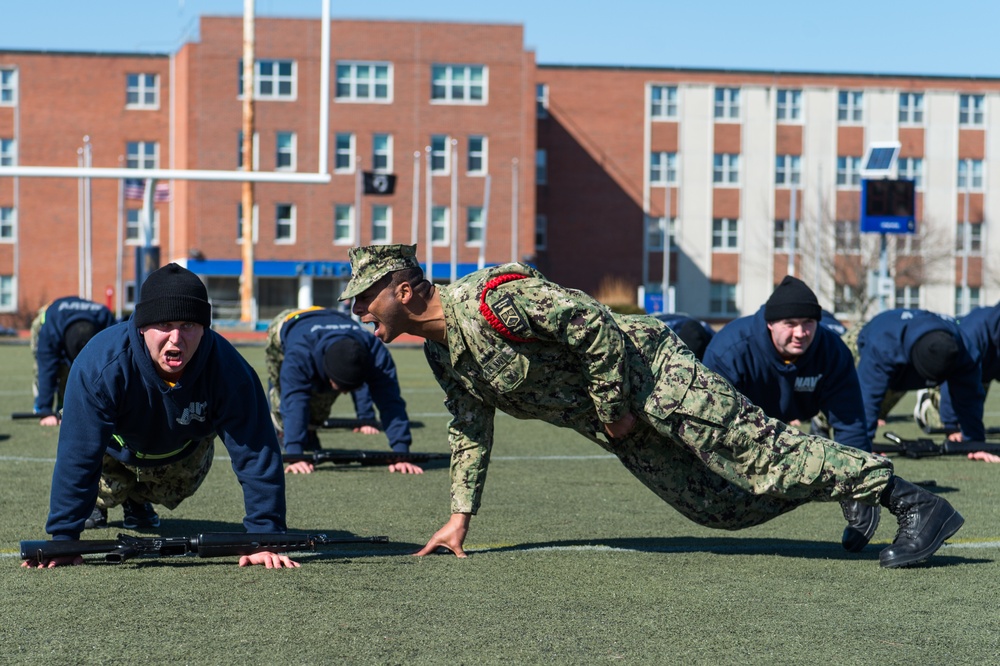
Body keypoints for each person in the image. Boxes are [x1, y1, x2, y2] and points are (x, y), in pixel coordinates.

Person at [341, 244, 964, 568]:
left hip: (650, 378)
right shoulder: (443, 352)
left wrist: (612, 406)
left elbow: (594, 324)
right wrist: (459, 517)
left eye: (364, 298)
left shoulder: (489, 299)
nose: (359, 311)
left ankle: (911, 502)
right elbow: (468, 428)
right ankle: (839, 481)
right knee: (718, 507)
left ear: (403, 290)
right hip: (616, 422)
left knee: (759, 456)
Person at [24, 263, 295, 569]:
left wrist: (264, 536)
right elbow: (78, 453)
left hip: (179, 450)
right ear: (142, 325)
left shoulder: (230, 371)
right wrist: (64, 538)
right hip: (113, 449)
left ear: (205, 327)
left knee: (179, 483)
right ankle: (103, 501)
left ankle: (138, 501)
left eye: (188, 325)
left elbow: (257, 452)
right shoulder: (99, 365)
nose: (176, 339)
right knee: (102, 483)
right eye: (165, 325)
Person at [702, 276, 878, 552]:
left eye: (808, 323)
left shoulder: (832, 351)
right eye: (790, 324)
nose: (801, 333)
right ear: (770, 323)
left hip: (797, 415)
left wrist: (861, 491)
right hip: (740, 427)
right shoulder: (729, 350)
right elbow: (711, 425)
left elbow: (851, 423)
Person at [264, 306, 420, 475]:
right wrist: (295, 454)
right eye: (340, 387)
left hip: (333, 318)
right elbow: (294, 399)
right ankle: (281, 432)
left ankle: (308, 431)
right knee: (282, 391)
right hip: (289, 323)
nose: (344, 394)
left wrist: (401, 452)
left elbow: (390, 401)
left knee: (320, 404)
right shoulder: (300, 355)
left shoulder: (375, 352)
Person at [847, 309, 985, 445]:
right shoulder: (883, 345)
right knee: (838, 386)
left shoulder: (965, 351)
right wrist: (862, 447)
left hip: (906, 352)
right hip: (865, 337)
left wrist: (973, 442)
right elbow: (866, 399)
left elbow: (969, 396)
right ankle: (824, 427)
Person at [914, 302, 999, 442]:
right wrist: (951, 425)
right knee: (940, 424)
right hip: (952, 370)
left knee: (971, 411)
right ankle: (929, 397)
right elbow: (954, 376)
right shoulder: (974, 333)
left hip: (982, 368)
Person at [30, 296, 116, 426]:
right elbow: (46, 366)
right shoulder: (52, 324)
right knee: (43, 366)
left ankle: (64, 401)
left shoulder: (106, 319)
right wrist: (45, 410)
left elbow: (114, 364)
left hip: (78, 323)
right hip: (48, 317)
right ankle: (40, 404)